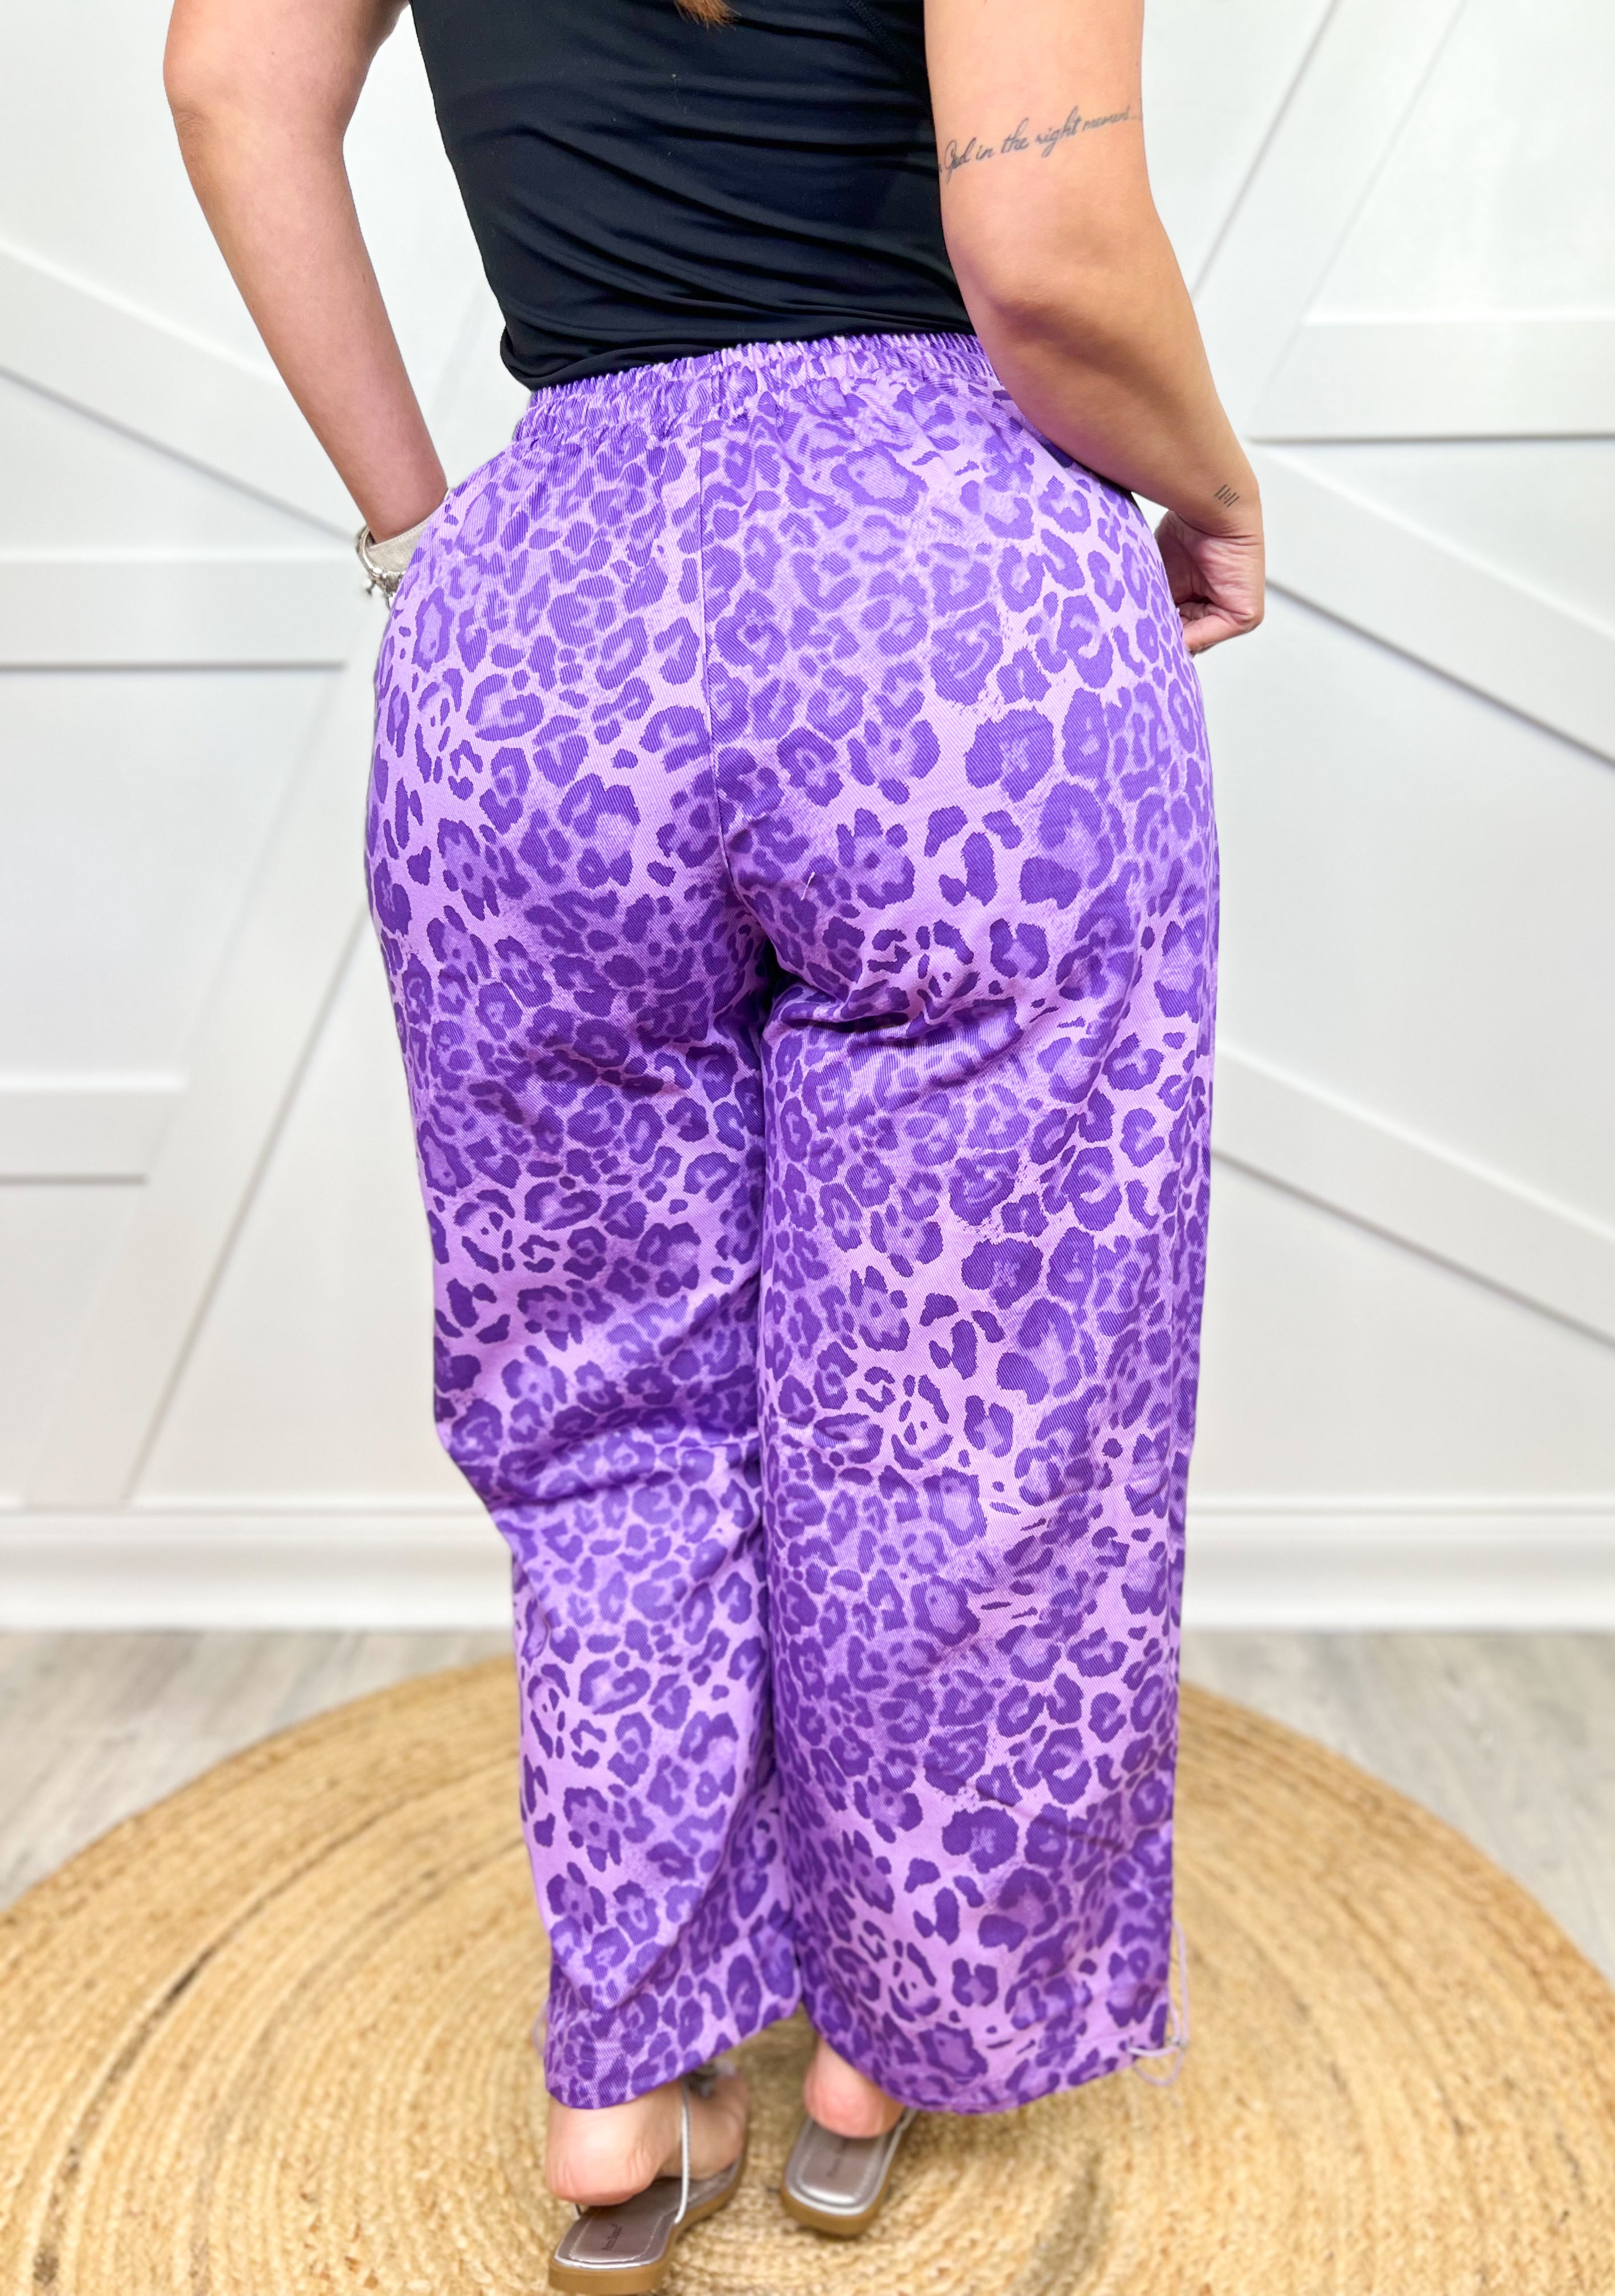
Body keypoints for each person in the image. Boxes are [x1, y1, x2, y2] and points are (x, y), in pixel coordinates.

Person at [164, 0, 1262, 2279]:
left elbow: (228, 80)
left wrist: (418, 530)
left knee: (598, 1405)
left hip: (541, 629)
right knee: (967, 1394)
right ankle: (882, 2043)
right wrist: (1212, 478)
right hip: (947, 624)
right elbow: (1046, 245)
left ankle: (621, 2089)